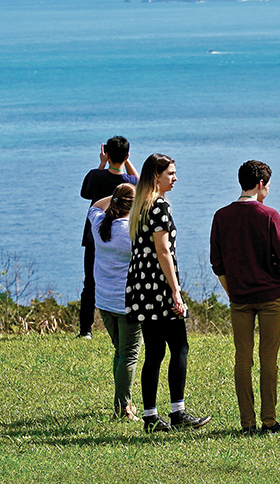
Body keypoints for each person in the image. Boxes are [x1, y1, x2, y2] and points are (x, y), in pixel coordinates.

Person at [125, 153, 210, 433]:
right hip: (158, 286)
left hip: (141, 284)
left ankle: (150, 416)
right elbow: (163, 251)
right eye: (170, 173)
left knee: (154, 352)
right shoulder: (160, 206)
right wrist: (175, 290)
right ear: (156, 177)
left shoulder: (140, 206)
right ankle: (178, 411)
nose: (175, 178)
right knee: (179, 347)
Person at [210, 160, 280, 434]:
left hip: (239, 298)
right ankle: (269, 421)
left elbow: (217, 263)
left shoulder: (221, 216)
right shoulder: (270, 215)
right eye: (268, 186)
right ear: (260, 185)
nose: (268, 191)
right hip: (270, 296)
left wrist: (231, 290)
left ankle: (247, 423)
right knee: (269, 359)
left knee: (242, 360)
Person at [88, 182, 141, 420]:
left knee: (120, 353)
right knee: (128, 355)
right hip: (127, 301)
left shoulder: (100, 224)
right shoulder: (132, 232)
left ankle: (123, 402)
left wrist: (120, 194)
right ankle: (123, 408)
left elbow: (96, 205)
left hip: (104, 300)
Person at [78, 136, 138, 338]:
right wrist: (127, 161)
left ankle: (86, 330)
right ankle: (125, 319)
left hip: (95, 235)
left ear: (107, 154)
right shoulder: (129, 182)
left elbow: (85, 194)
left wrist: (102, 163)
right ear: (127, 156)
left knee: (90, 283)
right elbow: (138, 182)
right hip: (122, 236)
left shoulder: (95, 176)